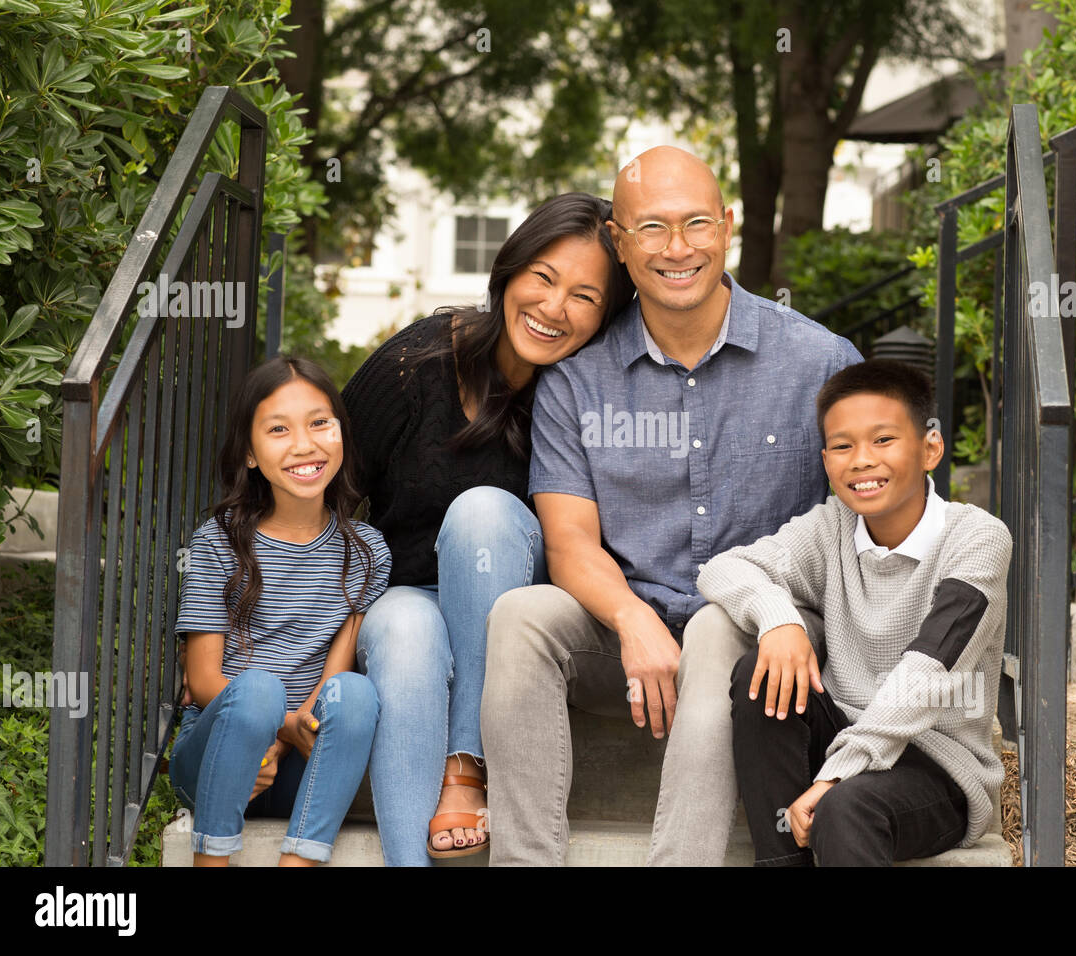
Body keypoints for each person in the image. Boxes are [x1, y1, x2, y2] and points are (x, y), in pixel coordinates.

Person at [481, 145, 863, 865]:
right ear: (619, 245)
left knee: (721, 623)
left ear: (728, 225)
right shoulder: (577, 379)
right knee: (520, 614)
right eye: (652, 229)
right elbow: (568, 544)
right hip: (629, 639)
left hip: (765, 638)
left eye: (696, 224)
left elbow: (862, 531)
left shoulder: (818, 363)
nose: (678, 248)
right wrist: (631, 618)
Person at [340, 192, 635, 863]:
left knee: (480, 512)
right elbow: (331, 498)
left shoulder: (600, 396)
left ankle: (467, 765)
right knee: (408, 635)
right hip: (412, 591)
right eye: (544, 277)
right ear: (509, 271)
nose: (555, 308)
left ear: (608, 313)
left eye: (585, 296)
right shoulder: (418, 363)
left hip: (522, 599)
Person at [698, 359, 1012, 865]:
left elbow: (929, 672)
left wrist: (837, 772)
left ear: (930, 448)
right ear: (826, 461)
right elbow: (722, 569)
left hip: (937, 766)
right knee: (758, 669)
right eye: (843, 446)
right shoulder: (830, 527)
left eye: (883, 440)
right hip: (843, 738)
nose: (862, 460)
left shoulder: (977, 538)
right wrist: (779, 618)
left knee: (845, 808)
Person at [170, 355, 391, 866]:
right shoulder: (219, 543)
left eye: (319, 423)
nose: (304, 445)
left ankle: (301, 860)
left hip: (300, 766)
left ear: (341, 435)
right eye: (278, 429)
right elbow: (203, 679)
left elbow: (335, 673)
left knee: (355, 693)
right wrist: (272, 729)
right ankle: (211, 858)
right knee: (259, 691)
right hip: (216, 760)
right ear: (249, 452)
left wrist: (291, 736)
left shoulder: (367, 551)